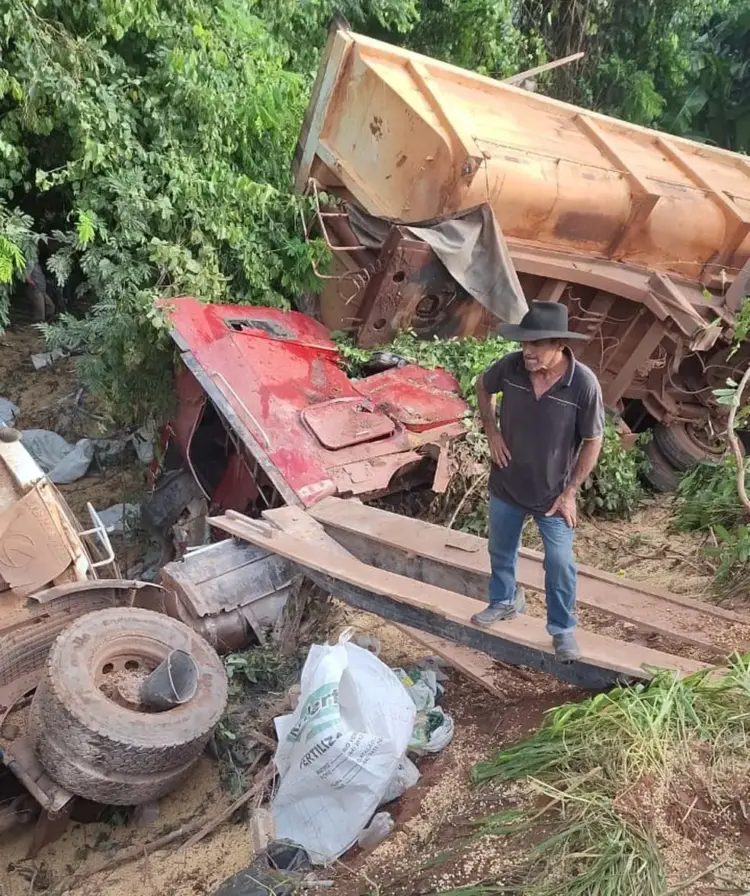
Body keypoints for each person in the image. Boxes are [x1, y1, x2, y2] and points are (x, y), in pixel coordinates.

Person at [471, 301, 604, 662]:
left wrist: (571, 492)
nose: (526, 351)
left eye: (536, 344)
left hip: (553, 496)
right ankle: (503, 601)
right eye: (523, 343)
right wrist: (492, 431)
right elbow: (483, 386)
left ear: (559, 344)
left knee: (560, 562)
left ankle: (562, 630)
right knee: (500, 549)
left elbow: (593, 440)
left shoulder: (583, 385)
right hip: (508, 484)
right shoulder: (511, 368)